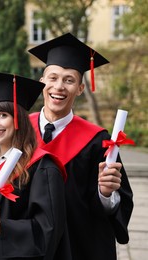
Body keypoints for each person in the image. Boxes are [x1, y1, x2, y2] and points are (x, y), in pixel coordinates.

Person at [28, 33, 134, 260]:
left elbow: (116, 205)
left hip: (77, 247)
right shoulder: (21, 132)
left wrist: (105, 194)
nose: (59, 86)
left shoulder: (97, 141)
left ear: (80, 88)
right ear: (41, 83)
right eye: (53, 78)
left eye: (69, 80)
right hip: (28, 245)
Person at [0, 69, 71, 260]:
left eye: (2, 115)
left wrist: (1, 226)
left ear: (18, 118)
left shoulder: (42, 169)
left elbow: (48, 231)